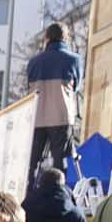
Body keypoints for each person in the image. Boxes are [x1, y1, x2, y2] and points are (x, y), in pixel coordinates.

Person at [25, 22, 82, 183]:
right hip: (61, 117)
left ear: (47, 38)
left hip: (36, 118)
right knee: (61, 163)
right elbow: (76, 87)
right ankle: (59, 193)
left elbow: (28, 86)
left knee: (32, 164)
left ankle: (28, 196)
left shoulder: (33, 62)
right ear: (65, 38)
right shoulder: (74, 60)